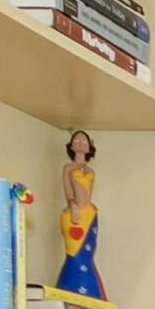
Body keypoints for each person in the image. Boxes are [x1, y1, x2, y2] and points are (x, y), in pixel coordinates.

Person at [55, 128, 105, 300]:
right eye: (77, 140)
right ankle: (73, 287)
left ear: (90, 147)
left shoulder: (91, 171)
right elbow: (69, 191)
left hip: (89, 213)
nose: (80, 143)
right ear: (71, 145)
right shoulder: (68, 168)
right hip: (74, 212)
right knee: (75, 254)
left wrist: (88, 209)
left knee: (88, 254)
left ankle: (90, 291)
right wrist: (73, 206)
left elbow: (88, 191)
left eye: (84, 141)